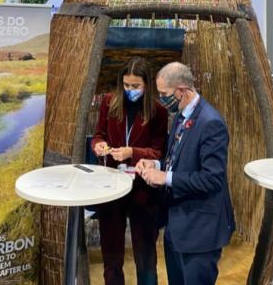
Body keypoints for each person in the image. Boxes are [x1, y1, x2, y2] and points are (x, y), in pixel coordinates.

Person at [136, 62, 235, 285]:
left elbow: (212, 179)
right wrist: (156, 166)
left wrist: (166, 178)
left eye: (164, 94)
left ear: (181, 90)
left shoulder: (211, 123)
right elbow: (178, 161)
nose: (161, 99)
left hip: (200, 233)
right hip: (178, 228)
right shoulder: (182, 117)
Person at [91, 56, 168, 285]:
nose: (130, 90)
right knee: (111, 256)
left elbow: (158, 153)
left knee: (145, 255)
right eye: (126, 85)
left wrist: (131, 152)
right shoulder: (108, 102)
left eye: (135, 86)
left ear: (147, 85)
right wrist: (98, 146)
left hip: (143, 190)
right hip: (112, 187)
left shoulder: (158, 111)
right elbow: (98, 134)